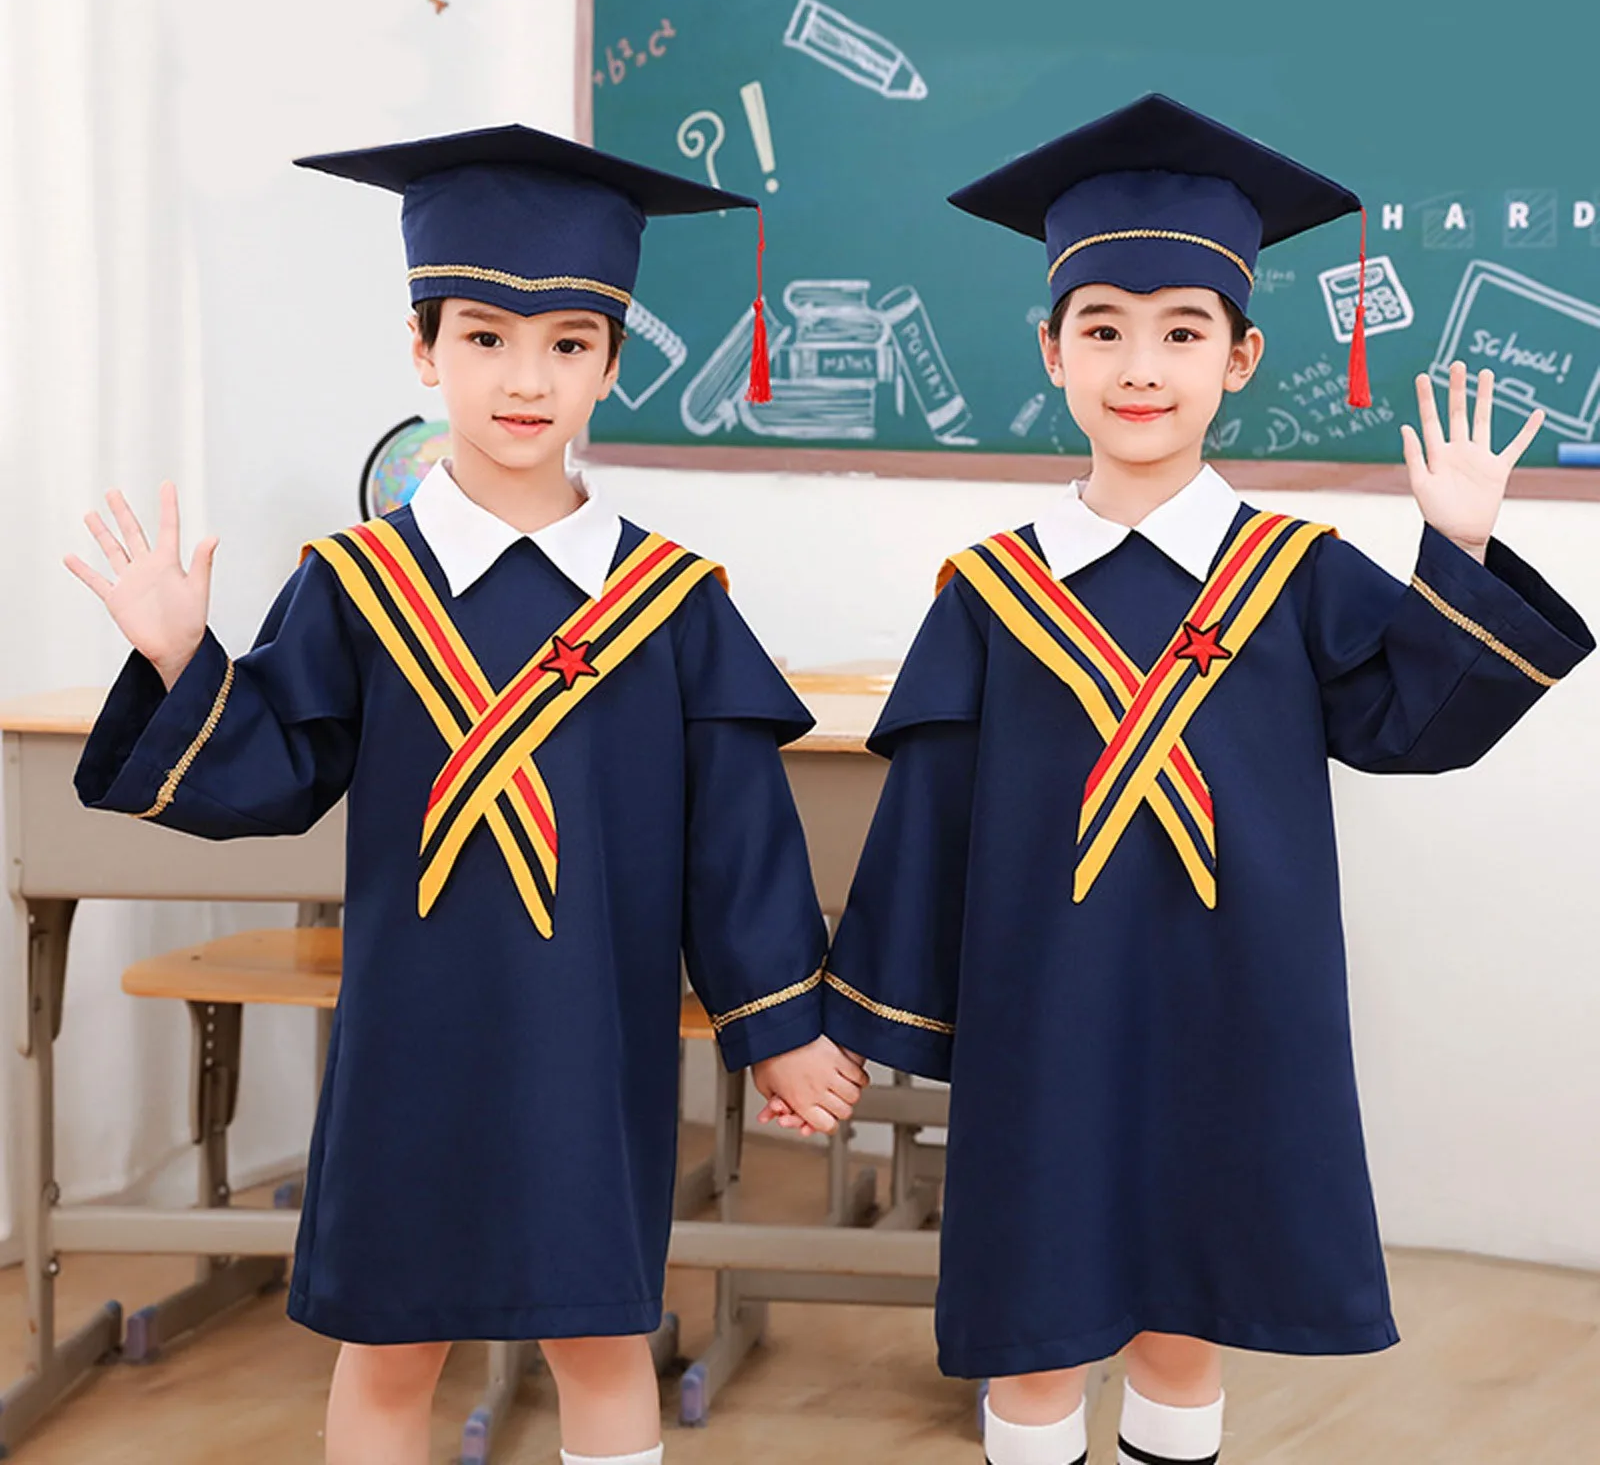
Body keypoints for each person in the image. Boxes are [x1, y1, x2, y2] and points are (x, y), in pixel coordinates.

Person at [68, 124, 866, 1465]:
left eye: (567, 344)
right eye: (486, 337)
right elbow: (271, 774)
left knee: (603, 1335)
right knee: (390, 1343)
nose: (525, 378)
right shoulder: (358, 586)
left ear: (613, 364)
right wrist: (178, 656)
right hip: (410, 1040)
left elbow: (735, 842)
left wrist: (777, 1022)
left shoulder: (667, 606)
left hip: (588, 1038)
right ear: (423, 353)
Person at [813, 95, 1592, 1465]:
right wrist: (867, 1021)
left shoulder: (1295, 577)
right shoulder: (993, 595)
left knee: (1188, 1324)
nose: (1141, 364)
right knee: (1038, 1344)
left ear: (1240, 359)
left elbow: (1418, 725)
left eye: (1183, 333)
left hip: (1235, 1010)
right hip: (1045, 1022)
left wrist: (1455, 559)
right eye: (1103, 327)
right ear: (1051, 350)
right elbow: (929, 827)